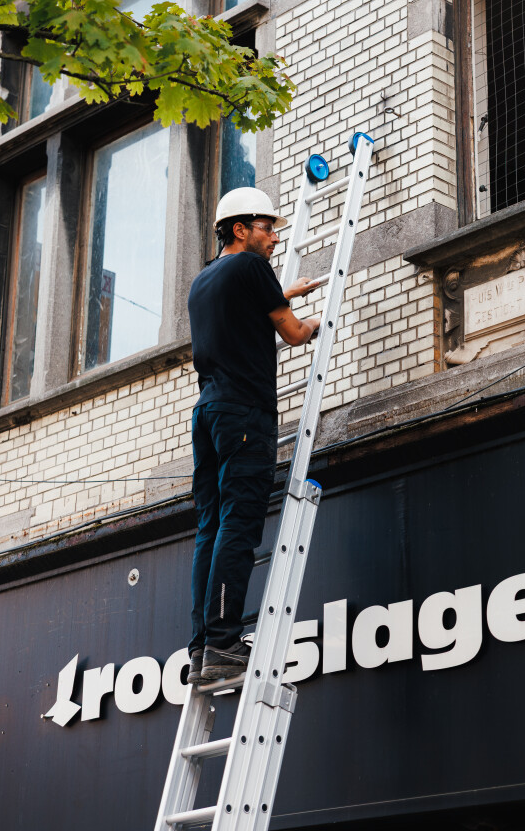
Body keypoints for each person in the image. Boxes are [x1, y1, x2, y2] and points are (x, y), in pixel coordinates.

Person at [186, 187, 320, 683]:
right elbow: (292, 333)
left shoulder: (204, 280)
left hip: (208, 413)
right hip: (244, 413)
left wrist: (286, 294)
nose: (275, 239)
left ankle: (202, 648)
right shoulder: (251, 267)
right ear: (240, 229)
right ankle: (225, 644)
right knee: (240, 524)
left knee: (210, 526)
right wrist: (315, 321)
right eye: (267, 228)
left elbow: (246, 309)